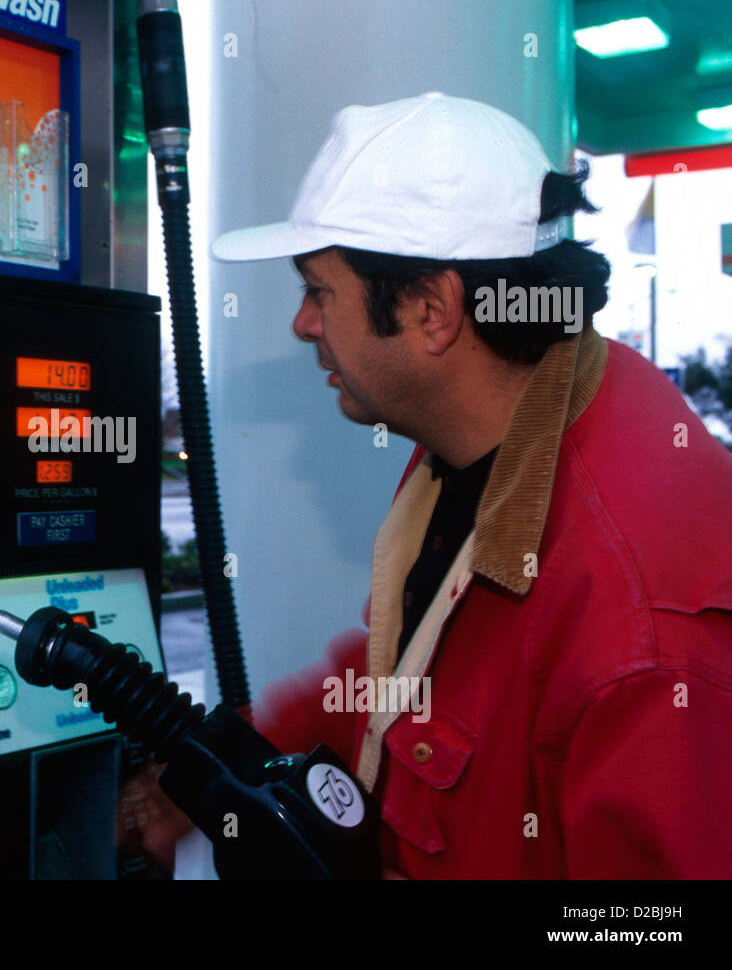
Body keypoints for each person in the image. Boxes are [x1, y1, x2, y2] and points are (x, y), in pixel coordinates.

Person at [134, 91, 732, 878]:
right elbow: (415, 682)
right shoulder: (495, 442)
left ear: (431, 311)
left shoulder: (638, 632)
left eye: (319, 291)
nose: (302, 325)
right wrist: (230, 765)